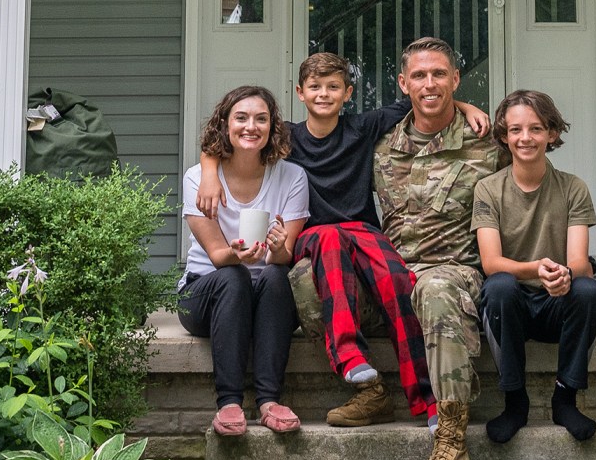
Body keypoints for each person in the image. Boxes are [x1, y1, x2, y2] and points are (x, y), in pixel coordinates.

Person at [195, 53, 489, 432]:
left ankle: (427, 399)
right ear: (300, 93)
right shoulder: (285, 137)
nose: (324, 94)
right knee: (330, 237)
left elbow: (422, 100)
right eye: (315, 87)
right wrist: (207, 173)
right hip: (312, 236)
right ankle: (349, 356)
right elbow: (227, 139)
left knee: (399, 280)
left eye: (333, 87)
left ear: (348, 93)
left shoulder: (363, 127)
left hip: (363, 232)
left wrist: (465, 104)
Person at [374, 37, 506, 460]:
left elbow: (534, 171)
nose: (428, 84)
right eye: (418, 76)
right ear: (402, 83)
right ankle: (367, 390)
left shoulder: (488, 143)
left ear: (455, 79)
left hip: (454, 270)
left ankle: (451, 440)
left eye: (438, 74)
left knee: (435, 290)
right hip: (391, 274)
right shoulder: (381, 146)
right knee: (305, 280)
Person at [472, 89, 596, 443]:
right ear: (503, 136)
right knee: (498, 286)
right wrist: (536, 269)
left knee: (588, 291)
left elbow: (579, 263)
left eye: (535, 128)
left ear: (552, 133)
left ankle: (566, 398)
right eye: (515, 130)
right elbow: (491, 262)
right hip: (512, 305)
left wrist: (564, 275)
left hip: (555, 303)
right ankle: (515, 401)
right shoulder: (488, 190)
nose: (525, 138)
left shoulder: (573, 188)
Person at [179, 85, 309, 436]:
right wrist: (233, 254)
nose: (251, 126)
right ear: (224, 124)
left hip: (266, 296)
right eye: (241, 117)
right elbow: (219, 256)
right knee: (234, 276)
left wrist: (279, 247)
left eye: (261, 119)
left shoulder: (292, 177)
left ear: (272, 128)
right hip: (205, 294)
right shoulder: (199, 178)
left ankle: (269, 401)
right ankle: (229, 403)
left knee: (276, 274)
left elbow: (284, 256)